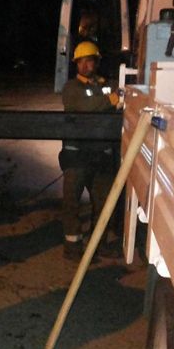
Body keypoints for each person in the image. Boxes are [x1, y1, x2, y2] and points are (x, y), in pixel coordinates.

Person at [59, 41, 121, 260]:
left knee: (104, 204)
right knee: (71, 203)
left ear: (96, 62)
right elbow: (85, 105)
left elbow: (121, 94)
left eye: (90, 61)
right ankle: (73, 247)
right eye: (81, 61)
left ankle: (98, 244)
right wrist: (112, 99)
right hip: (76, 155)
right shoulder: (71, 88)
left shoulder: (108, 84)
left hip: (101, 154)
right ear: (76, 64)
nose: (86, 65)